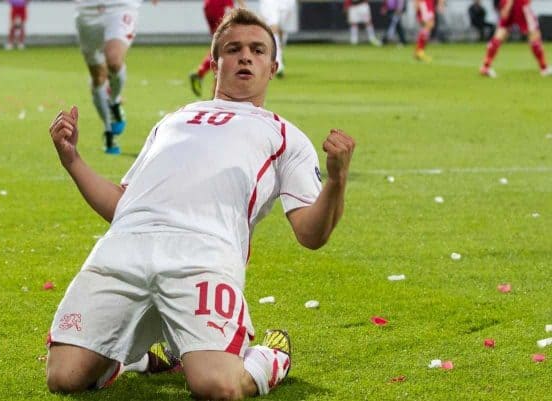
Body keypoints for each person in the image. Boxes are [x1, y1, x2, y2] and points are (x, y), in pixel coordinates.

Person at [46, 8, 356, 400]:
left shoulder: (284, 137)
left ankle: (270, 357)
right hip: (124, 246)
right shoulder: (173, 120)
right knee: (63, 378)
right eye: (234, 48)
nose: (246, 56)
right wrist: (72, 160)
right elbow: (123, 204)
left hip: (203, 256)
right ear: (215, 63)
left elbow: (311, 234)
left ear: (273, 66)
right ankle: (133, 357)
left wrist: (337, 180)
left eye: (258, 50)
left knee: (217, 387)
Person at [75, 0, 159, 155]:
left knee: (113, 61)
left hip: (120, 7)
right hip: (86, 11)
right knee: (97, 77)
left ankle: (114, 100)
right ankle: (108, 131)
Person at [189, 0, 246, 98]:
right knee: (225, 44)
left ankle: (202, 75)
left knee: (220, 44)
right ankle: (216, 94)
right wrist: (242, 6)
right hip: (222, 4)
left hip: (209, 5)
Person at [479, 0, 551, 77]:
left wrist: (506, 5)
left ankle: (485, 67)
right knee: (534, 34)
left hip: (508, 3)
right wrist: (508, 5)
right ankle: (544, 68)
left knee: (500, 34)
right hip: (519, 4)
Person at [259, 0, 296, 77]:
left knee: (282, 30)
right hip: (270, 2)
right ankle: (278, 64)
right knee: (273, 27)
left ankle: (279, 54)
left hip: (287, 3)